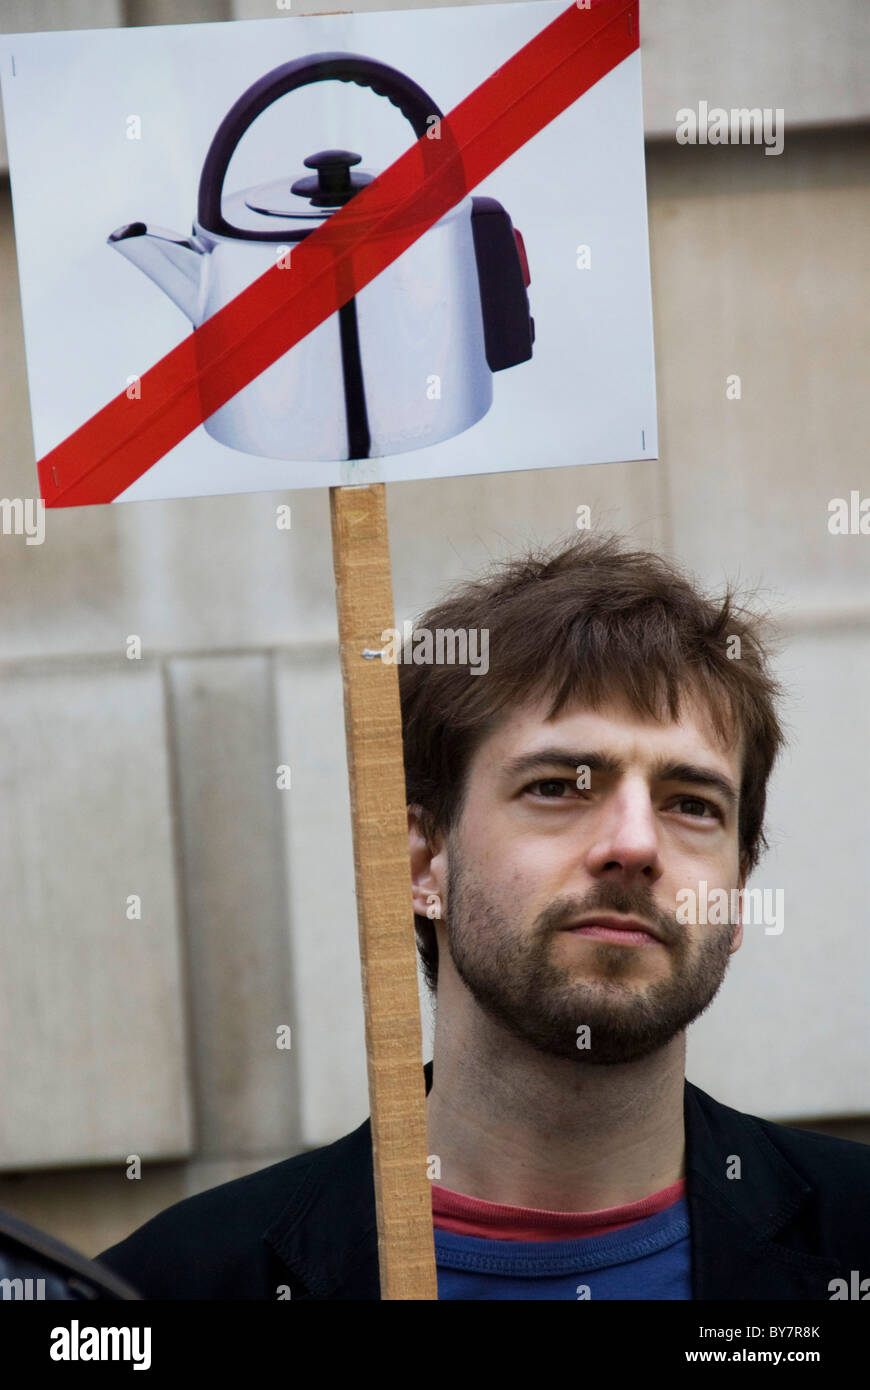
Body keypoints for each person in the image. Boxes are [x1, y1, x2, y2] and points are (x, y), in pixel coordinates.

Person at [96, 533, 870, 1299]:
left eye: (692, 805)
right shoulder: (168, 1290)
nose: (635, 845)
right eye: (559, 787)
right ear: (420, 864)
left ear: (737, 895)